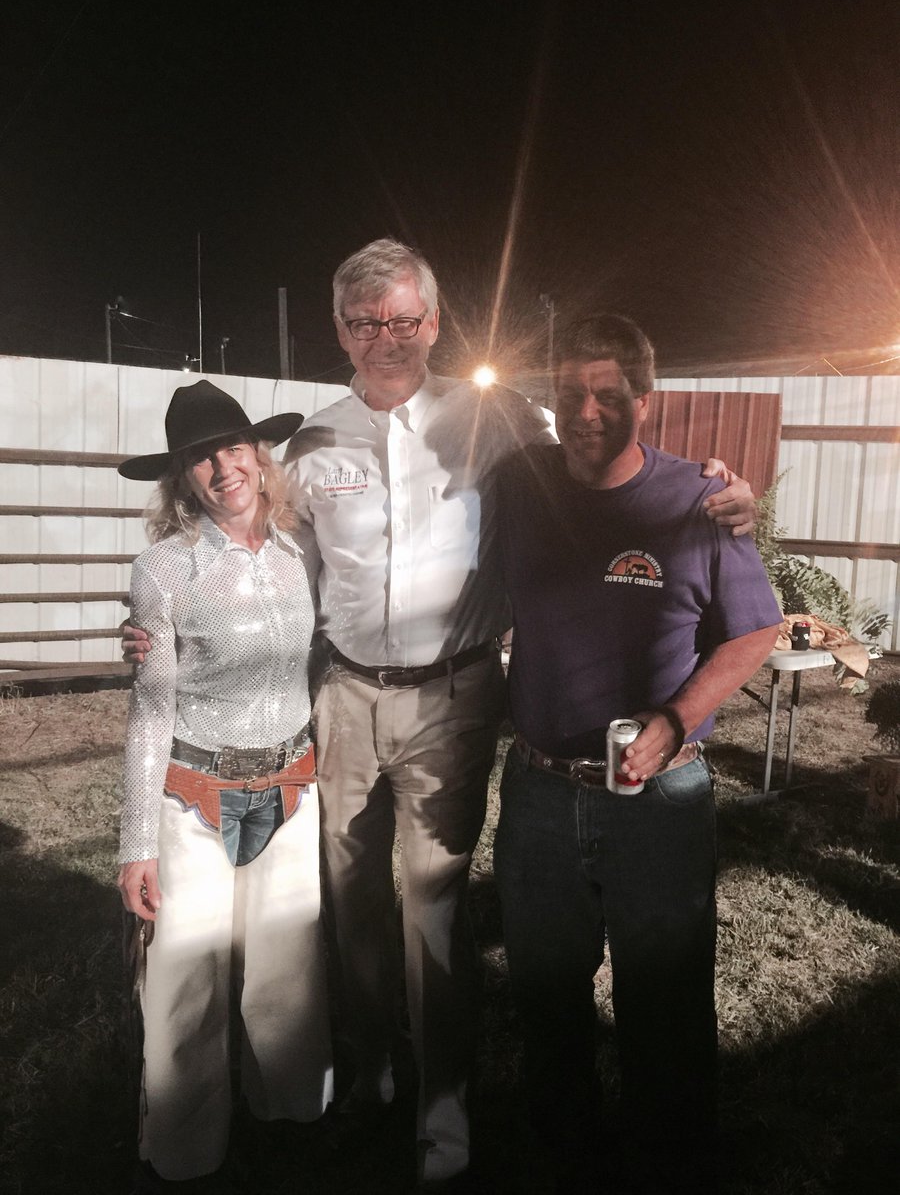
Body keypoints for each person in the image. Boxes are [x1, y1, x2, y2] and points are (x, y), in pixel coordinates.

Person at [124, 240, 757, 1191]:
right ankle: (372, 1077)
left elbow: (602, 451)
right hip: (338, 698)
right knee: (351, 905)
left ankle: (443, 1114)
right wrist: (158, 617)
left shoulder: (496, 415)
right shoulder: (311, 441)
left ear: (434, 322)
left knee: (433, 907)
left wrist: (725, 490)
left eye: (407, 320)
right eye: (368, 322)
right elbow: (250, 541)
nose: (389, 339)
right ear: (341, 329)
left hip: (454, 700)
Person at [491, 314, 782, 1195]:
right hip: (541, 791)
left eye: (608, 394)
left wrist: (677, 717)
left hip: (660, 800)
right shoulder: (520, 482)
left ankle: (672, 1159)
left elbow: (757, 628)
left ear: (643, 402)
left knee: (665, 1000)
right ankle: (564, 1152)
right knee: (547, 994)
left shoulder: (696, 500)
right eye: (570, 392)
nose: (586, 410)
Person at [116, 380, 333, 1193]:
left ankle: (289, 1121)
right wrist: (138, 841)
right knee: (183, 985)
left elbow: (320, 657)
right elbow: (150, 708)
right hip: (193, 799)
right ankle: (184, 1153)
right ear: (181, 478)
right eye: (200, 456)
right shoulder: (163, 572)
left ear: (258, 454)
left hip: (290, 790)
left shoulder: (300, 553)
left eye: (233, 446)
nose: (221, 465)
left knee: (289, 975)